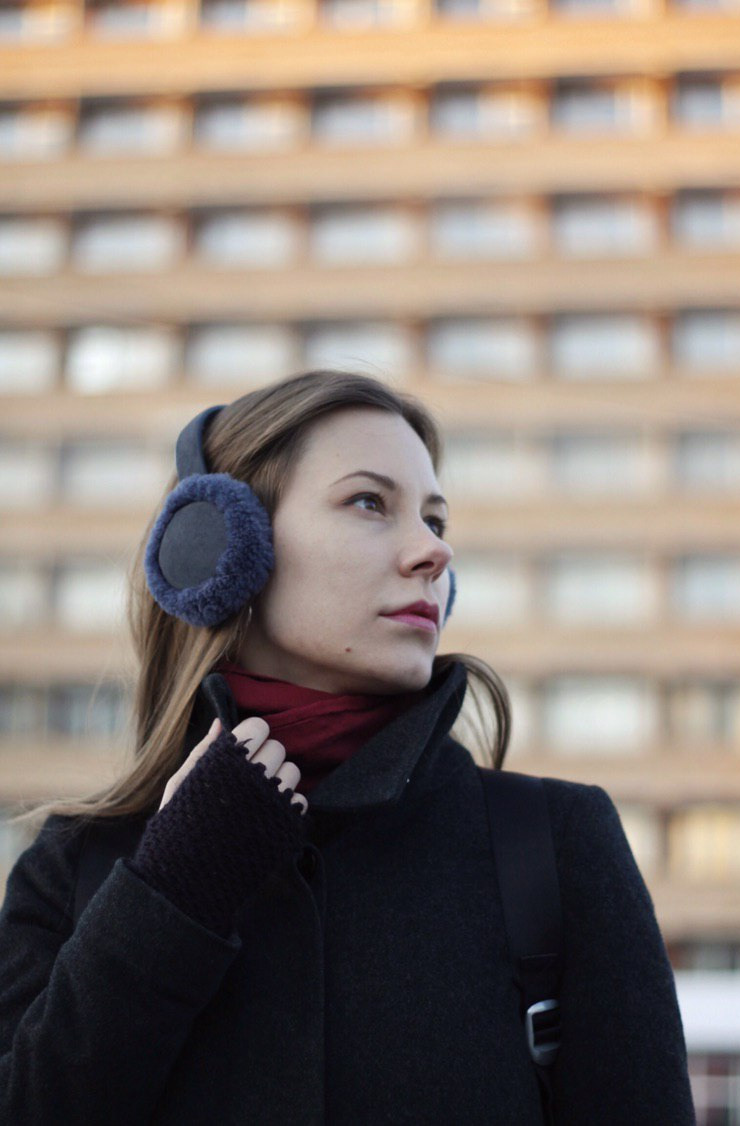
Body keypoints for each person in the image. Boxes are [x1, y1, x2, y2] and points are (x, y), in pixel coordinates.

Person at [0, 369, 695, 1125]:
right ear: (223, 545)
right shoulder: (75, 863)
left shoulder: (555, 845)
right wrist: (171, 891)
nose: (433, 552)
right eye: (370, 502)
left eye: (435, 520)